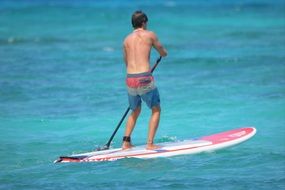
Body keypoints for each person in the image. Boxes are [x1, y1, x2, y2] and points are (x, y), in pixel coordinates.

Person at [122, 10, 167, 150]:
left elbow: (126, 61)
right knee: (156, 109)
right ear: (144, 22)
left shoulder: (126, 39)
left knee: (134, 110)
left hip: (130, 78)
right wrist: (163, 54)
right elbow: (161, 50)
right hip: (144, 78)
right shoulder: (149, 35)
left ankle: (126, 142)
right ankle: (150, 143)